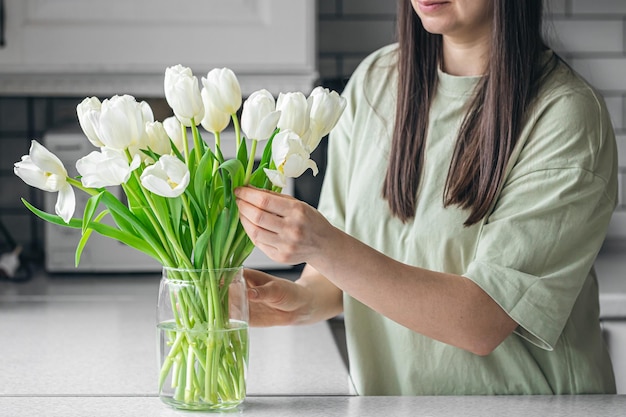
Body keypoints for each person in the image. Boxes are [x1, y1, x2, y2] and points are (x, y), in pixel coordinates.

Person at [234, 0, 618, 395]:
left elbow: (482, 321)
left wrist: (321, 244)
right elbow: (337, 276)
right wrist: (296, 300)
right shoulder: (375, 82)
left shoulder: (566, 115)